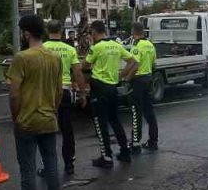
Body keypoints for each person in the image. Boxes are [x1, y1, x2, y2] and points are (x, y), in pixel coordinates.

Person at [4, 15, 64, 190]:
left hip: (27, 122)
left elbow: (14, 94)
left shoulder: (22, 58)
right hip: (49, 120)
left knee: (28, 171)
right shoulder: (54, 58)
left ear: (27, 33)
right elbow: (59, 92)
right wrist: (52, 110)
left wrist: (16, 117)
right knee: (51, 168)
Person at [84, 21, 139, 168]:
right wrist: (122, 75)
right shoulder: (116, 45)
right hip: (113, 88)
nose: (90, 35)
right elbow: (133, 62)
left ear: (94, 32)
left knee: (100, 124)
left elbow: (85, 65)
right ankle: (125, 152)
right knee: (115, 121)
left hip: (99, 87)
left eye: (91, 33)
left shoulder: (96, 47)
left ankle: (106, 156)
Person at [43, 20, 84, 175]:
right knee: (67, 129)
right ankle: (69, 164)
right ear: (61, 31)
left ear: (48, 31)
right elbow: (78, 72)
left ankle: (49, 166)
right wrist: (82, 93)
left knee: (47, 130)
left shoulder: (42, 49)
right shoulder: (69, 49)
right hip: (65, 91)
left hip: (46, 93)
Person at [128, 22, 160, 153]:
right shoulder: (150, 45)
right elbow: (154, 65)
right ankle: (153, 141)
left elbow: (134, 65)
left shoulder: (137, 46)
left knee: (136, 112)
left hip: (138, 81)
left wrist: (127, 78)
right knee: (149, 112)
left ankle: (135, 143)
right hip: (148, 79)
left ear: (133, 31)